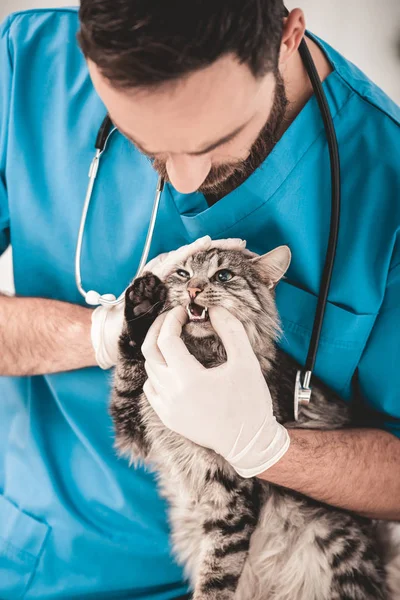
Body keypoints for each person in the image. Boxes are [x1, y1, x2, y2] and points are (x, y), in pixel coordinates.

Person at [0, 1, 399, 598]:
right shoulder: (29, 62)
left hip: (262, 572)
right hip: (44, 549)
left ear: (288, 36)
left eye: (217, 140)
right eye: (143, 141)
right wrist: (102, 333)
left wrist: (266, 448)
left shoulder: (386, 186)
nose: (183, 180)